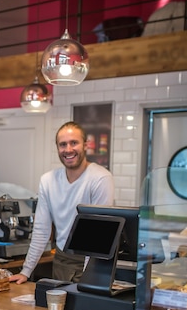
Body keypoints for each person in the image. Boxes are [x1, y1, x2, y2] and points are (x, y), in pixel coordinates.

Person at [9, 121, 115, 284]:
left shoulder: (100, 178)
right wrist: (26, 271)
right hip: (61, 259)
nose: (68, 149)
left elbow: (98, 237)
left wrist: (89, 279)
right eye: (63, 144)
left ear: (85, 145)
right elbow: (41, 230)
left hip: (93, 261)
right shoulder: (48, 180)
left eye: (74, 143)